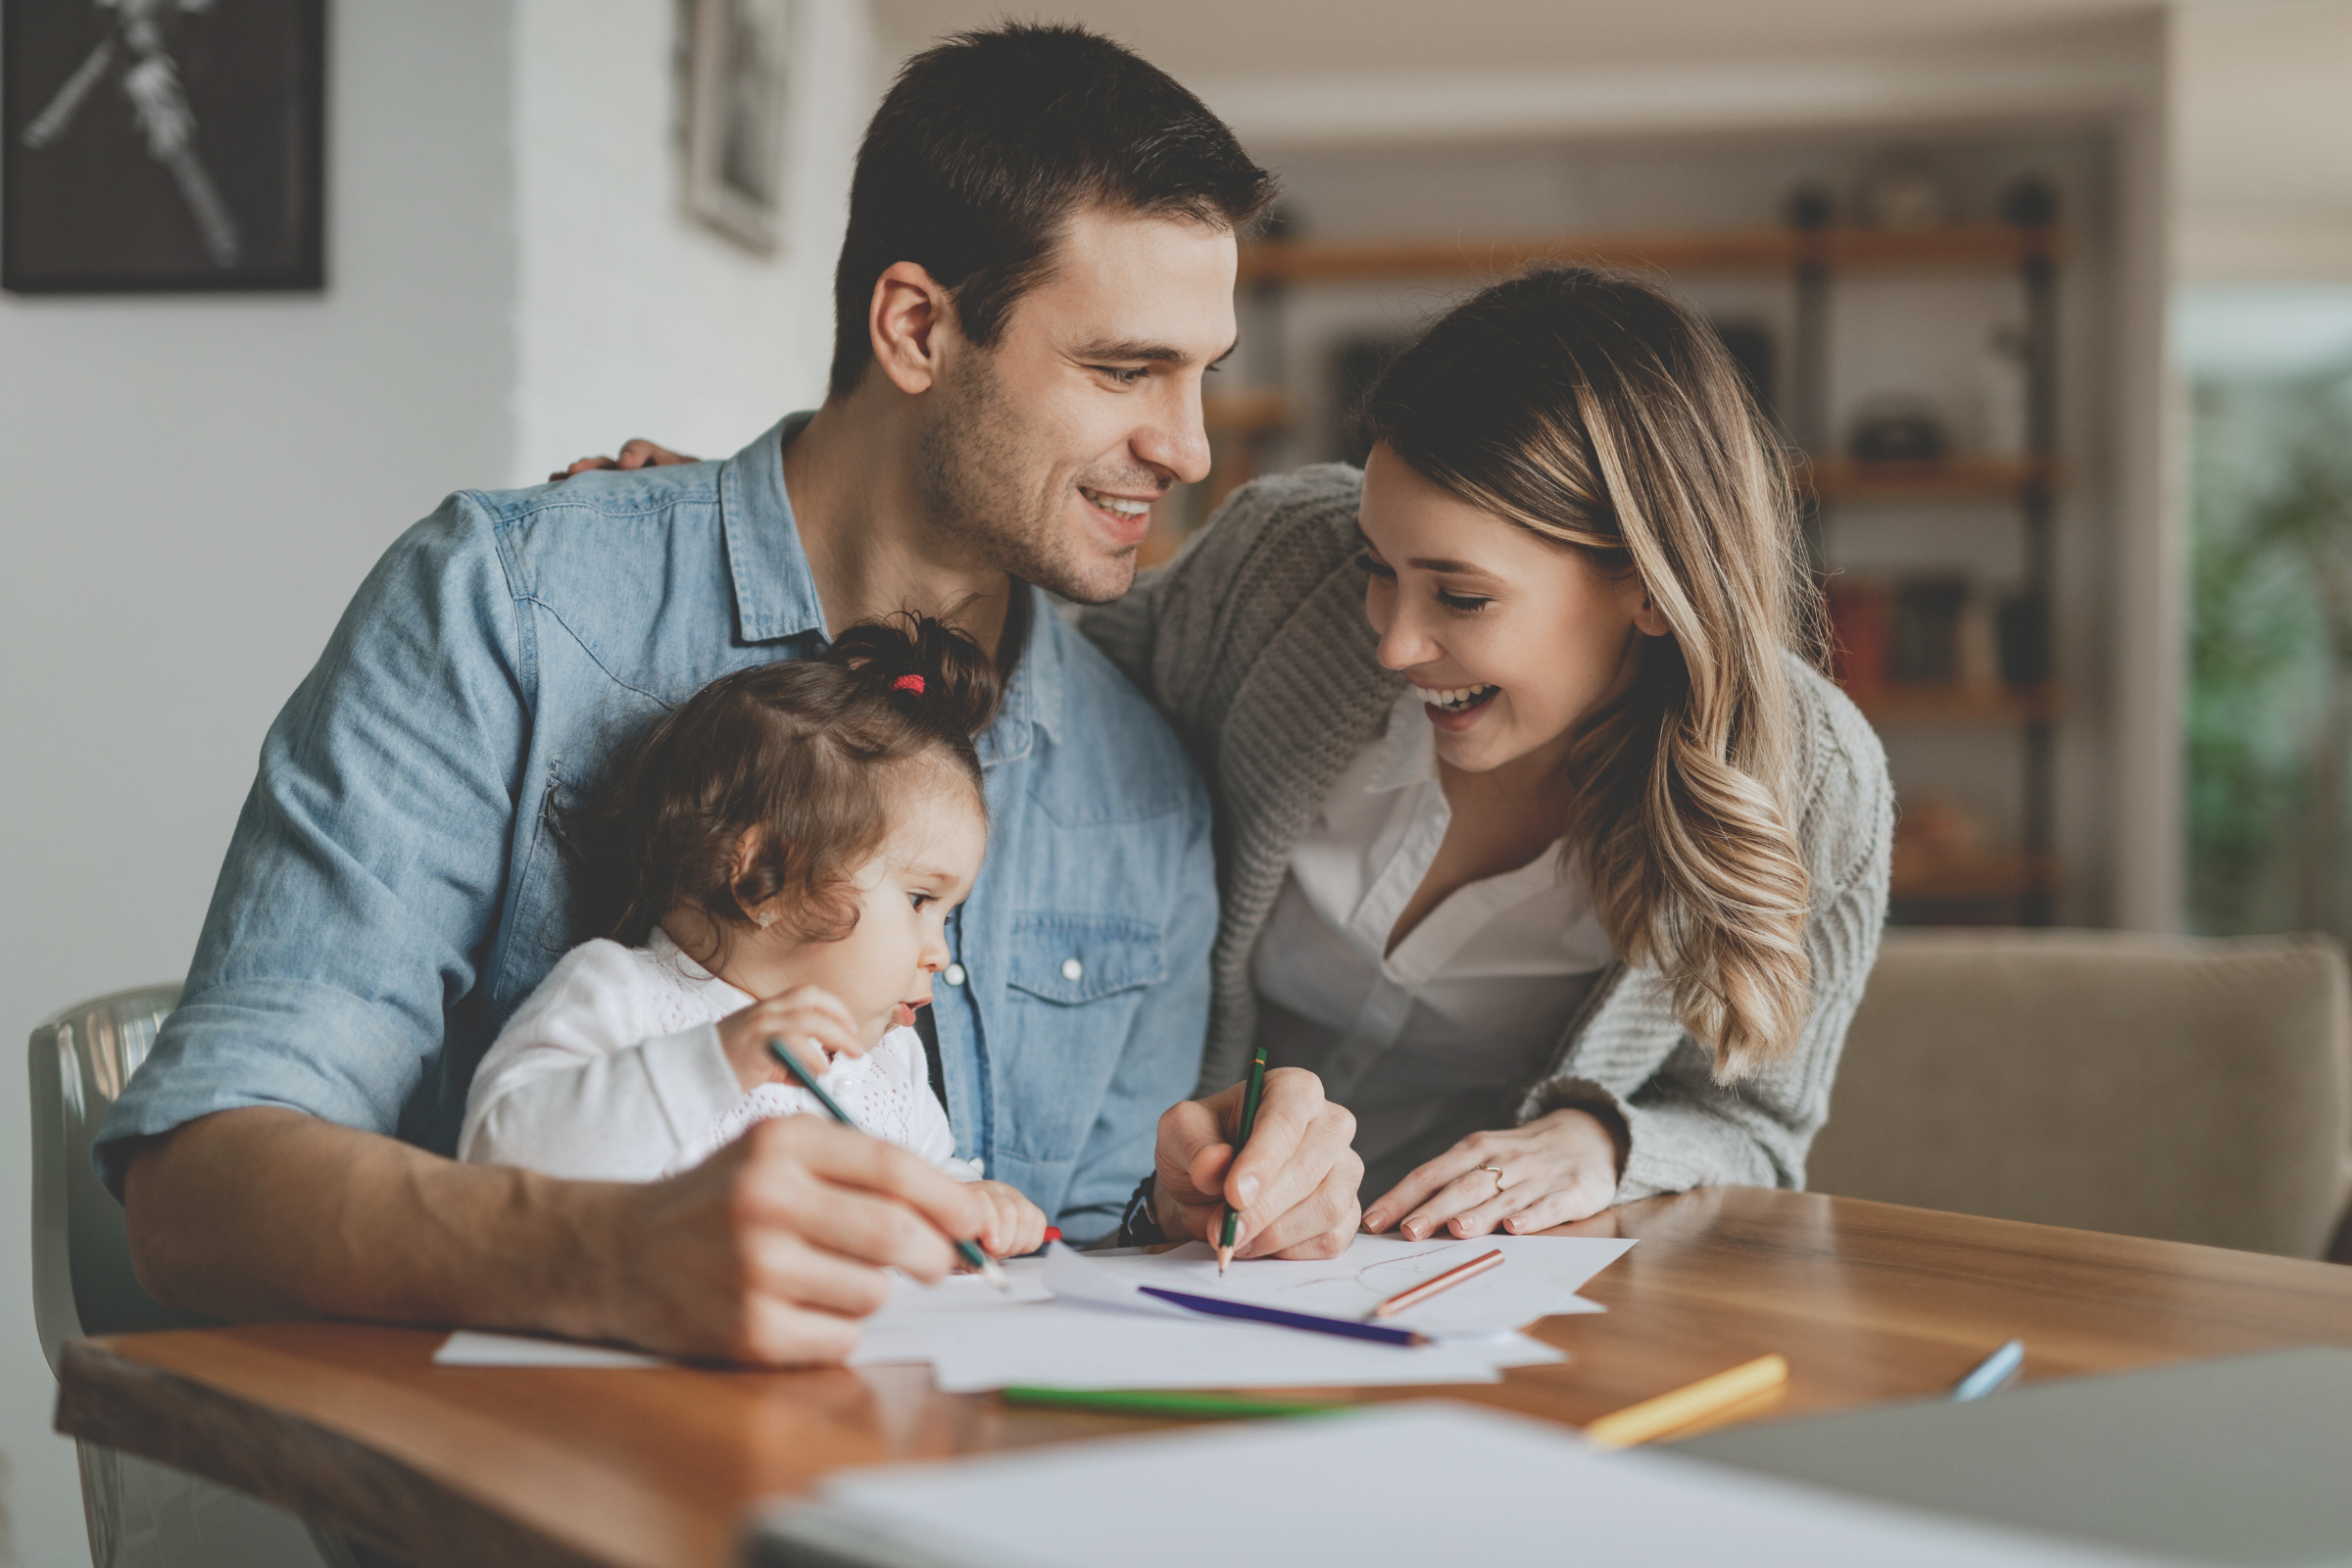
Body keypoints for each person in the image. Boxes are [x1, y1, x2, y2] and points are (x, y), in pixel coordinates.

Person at [97, 24, 1362, 1370]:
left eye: (1200, 373)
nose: (1188, 445)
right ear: (917, 327)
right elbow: (198, 1199)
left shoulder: (1140, 786)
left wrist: (1196, 1212)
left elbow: (1077, 1269)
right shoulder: (509, 611)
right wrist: (600, 1257)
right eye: (1124, 371)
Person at [1084, 266, 1894, 1242]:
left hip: (1474, 1288)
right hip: (1158, 1238)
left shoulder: (1817, 786)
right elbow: (1051, 725)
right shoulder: (1283, 573)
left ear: (1648, 588)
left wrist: (1599, 1143)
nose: (1393, 642)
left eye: (1460, 598)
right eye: (1379, 567)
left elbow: (1756, 1132)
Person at [460, 614, 1049, 1261]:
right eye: (919, 900)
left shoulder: (888, 1063)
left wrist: (972, 1205)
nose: (940, 952)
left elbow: (929, 1190)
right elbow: (498, 1160)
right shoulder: (619, 996)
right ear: (761, 880)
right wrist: (712, 1062)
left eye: (948, 915)